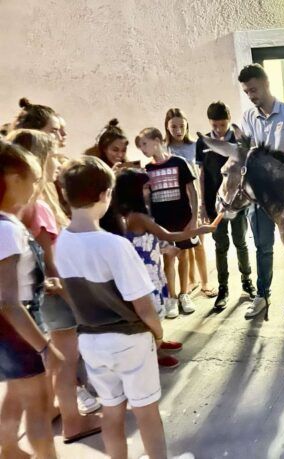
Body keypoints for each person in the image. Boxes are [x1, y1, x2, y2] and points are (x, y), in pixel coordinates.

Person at [55, 156, 175, 459]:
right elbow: (143, 306)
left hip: (91, 341)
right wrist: (158, 334)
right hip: (130, 340)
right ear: (105, 195)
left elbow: (71, 295)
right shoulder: (114, 245)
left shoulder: (60, 243)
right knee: (146, 410)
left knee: (112, 410)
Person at [8, 129, 103, 443]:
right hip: (56, 294)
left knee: (52, 367)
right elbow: (49, 263)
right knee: (65, 361)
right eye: (52, 157)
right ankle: (73, 422)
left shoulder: (26, 206)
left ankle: (50, 416)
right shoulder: (38, 207)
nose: (57, 163)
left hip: (42, 296)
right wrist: (74, 295)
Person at [112, 168, 218, 367]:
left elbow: (146, 241)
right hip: (145, 272)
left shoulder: (133, 214)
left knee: (154, 308)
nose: (149, 189)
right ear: (133, 191)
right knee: (150, 310)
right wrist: (199, 230)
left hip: (151, 268)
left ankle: (158, 343)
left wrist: (166, 250)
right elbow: (168, 235)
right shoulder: (138, 216)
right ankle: (155, 351)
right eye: (144, 187)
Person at [0, 140, 63, 459]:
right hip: (20, 331)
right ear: (12, 179)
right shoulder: (6, 230)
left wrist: (40, 283)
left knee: (15, 390)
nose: (37, 188)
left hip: (11, 330)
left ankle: (8, 446)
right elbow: (9, 302)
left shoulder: (6, 224)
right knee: (38, 407)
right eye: (33, 179)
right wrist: (44, 347)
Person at [238, 63, 284, 319]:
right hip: (259, 196)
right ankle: (262, 295)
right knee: (262, 247)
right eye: (246, 92)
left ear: (266, 84)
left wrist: (281, 173)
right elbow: (245, 152)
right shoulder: (248, 117)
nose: (251, 96)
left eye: (254, 89)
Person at [196, 101, 255, 310]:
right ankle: (223, 288)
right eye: (215, 126)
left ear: (229, 120)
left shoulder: (238, 141)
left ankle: (247, 282)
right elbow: (202, 175)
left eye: (222, 125)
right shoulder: (202, 143)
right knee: (221, 246)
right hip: (216, 204)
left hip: (237, 203)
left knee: (241, 243)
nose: (219, 130)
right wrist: (203, 204)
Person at [136, 127, 201, 317]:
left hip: (182, 217)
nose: (143, 150)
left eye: (145, 144)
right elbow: (146, 201)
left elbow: (193, 191)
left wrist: (194, 218)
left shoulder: (179, 162)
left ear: (157, 140)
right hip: (161, 221)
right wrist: (145, 194)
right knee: (168, 258)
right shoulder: (147, 170)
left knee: (184, 256)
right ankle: (171, 297)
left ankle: (184, 293)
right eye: (141, 148)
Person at [165, 108, 217, 299]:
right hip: (175, 206)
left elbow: (202, 176)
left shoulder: (195, 146)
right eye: (173, 127)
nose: (178, 130)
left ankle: (205, 282)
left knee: (199, 244)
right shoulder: (164, 149)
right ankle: (191, 280)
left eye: (181, 125)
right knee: (181, 249)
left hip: (195, 201)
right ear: (167, 127)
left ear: (187, 125)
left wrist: (203, 203)